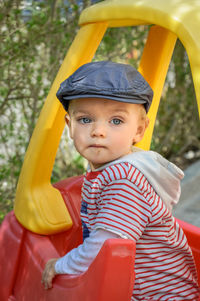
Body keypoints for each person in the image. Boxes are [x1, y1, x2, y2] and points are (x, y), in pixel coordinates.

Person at [42, 61, 200, 300]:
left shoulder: (124, 181)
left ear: (139, 130)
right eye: (85, 120)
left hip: (157, 295)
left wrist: (59, 265)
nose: (98, 131)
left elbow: (102, 250)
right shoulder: (108, 171)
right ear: (70, 126)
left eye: (116, 121)